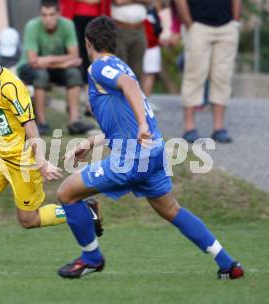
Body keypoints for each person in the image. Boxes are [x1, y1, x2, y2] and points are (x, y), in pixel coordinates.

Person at [56, 16, 244, 280]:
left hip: (133, 158)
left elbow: (130, 87)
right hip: (154, 152)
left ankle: (91, 258)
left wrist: (142, 123)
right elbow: (125, 118)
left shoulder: (99, 68)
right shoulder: (122, 65)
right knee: (172, 210)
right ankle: (228, 263)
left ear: (87, 43)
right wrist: (92, 141)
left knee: (66, 193)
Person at [0, 36, 102, 266]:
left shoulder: (12, 86)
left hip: (22, 161)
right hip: (0, 156)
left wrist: (42, 160)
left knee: (28, 220)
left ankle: (83, 210)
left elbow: (31, 125)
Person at [17, 0, 94, 136]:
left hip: (52, 67)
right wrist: (63, 62)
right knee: (41, 75)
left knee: (74, 73)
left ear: (59, 13)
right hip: (29, 67)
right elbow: (34, 62)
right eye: (44, 15)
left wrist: (49, 60)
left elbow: (75, 55)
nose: (48, 19)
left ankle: (74, 122)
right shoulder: (32, 26)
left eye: (52, 15)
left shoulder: (68, 24)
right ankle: (41, 123)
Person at [175, 0, 241, 143]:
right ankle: (189, 127)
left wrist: (235, 22)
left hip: (227, 26)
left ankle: (219, 127)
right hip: (198, 25)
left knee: (222, 77)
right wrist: (189, 24)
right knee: (194, 75)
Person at [111, 0, 150, 80]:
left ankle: (133, 91)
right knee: (120, 67)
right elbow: (118, 2)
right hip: (120, 29)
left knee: (137, 69)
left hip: (140, 29)